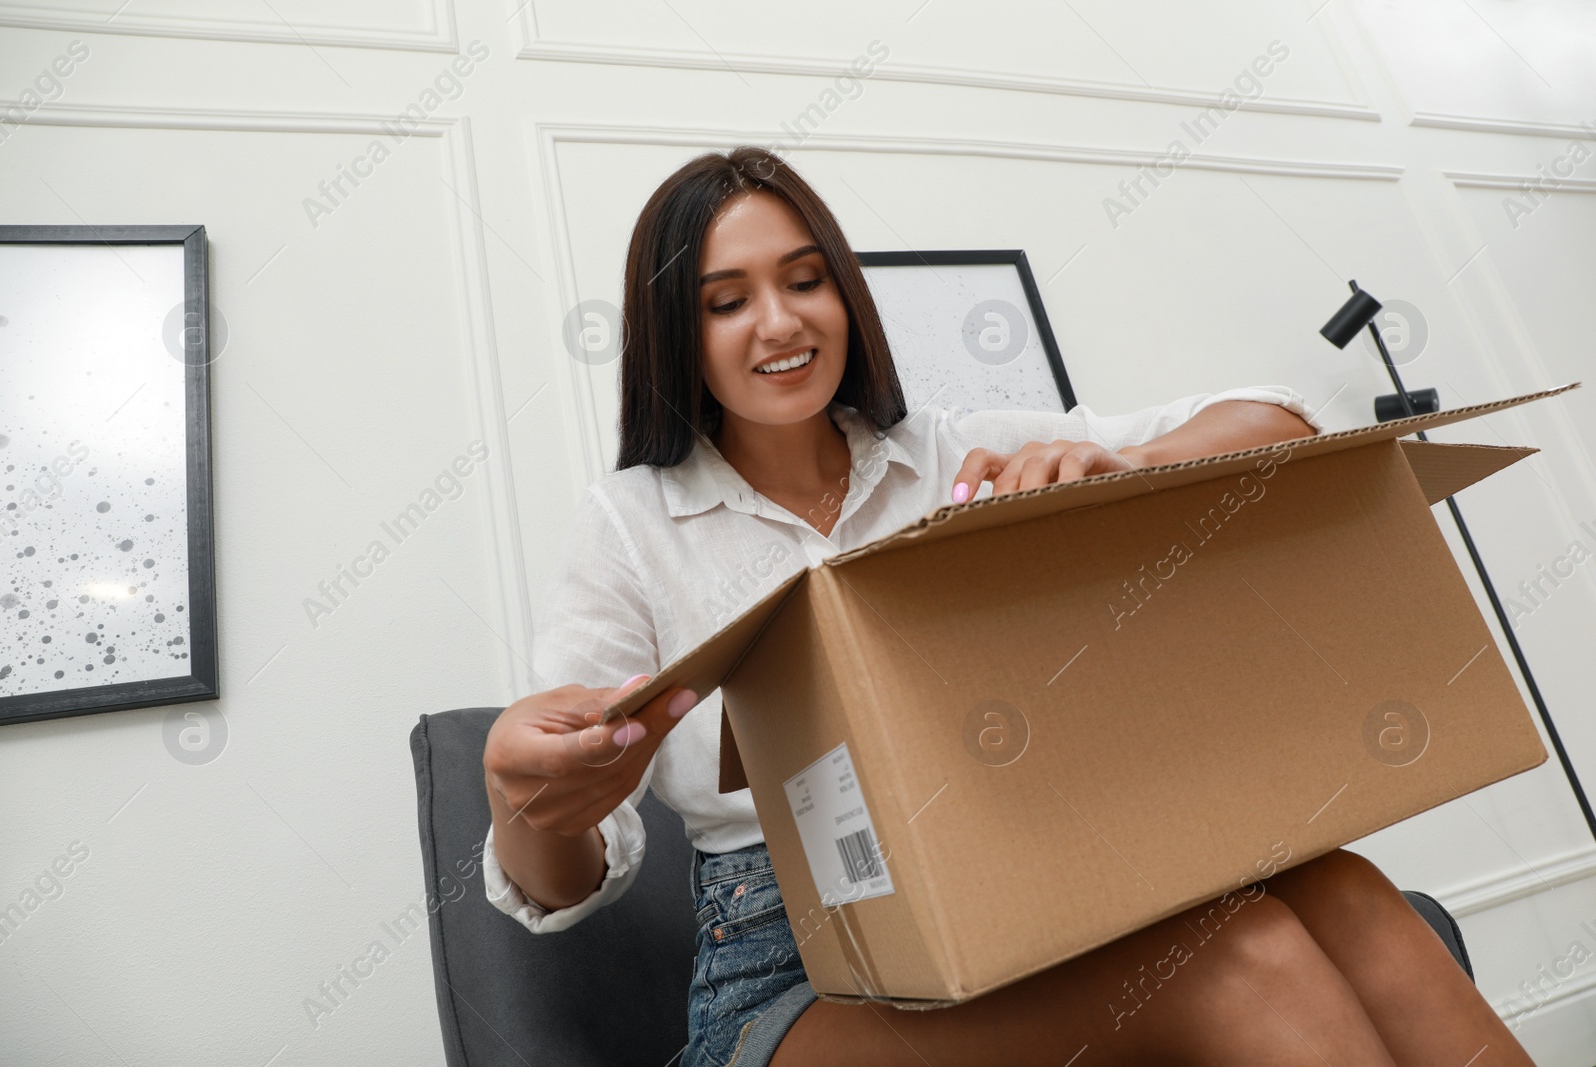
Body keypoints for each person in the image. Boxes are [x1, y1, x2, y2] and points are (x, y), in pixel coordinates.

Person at [481, 147, 1533, 1066]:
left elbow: (1290, 417)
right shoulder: (626, 524)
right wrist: (525, 800)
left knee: (1345, 885)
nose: (780, 321)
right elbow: (570, 876)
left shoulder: (949, 454)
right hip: (795, 974)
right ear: (677, 329)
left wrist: (1124, 462)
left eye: (806, 280)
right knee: (1239, 955)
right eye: (727, 299)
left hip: (1031, 889)